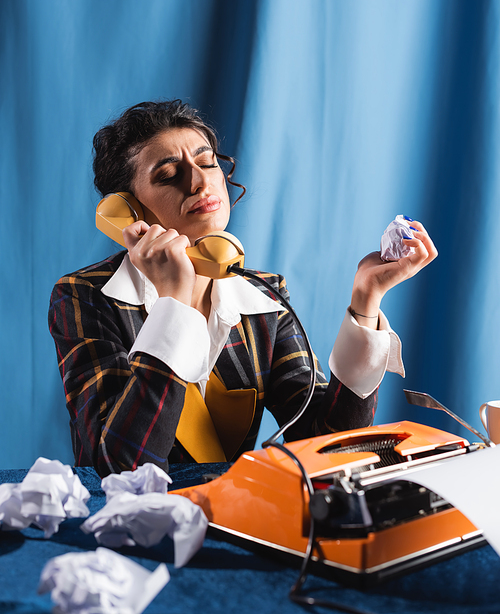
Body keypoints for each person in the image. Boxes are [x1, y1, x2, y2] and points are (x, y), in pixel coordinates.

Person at [49, 100, 437, 477]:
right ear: (124, 211)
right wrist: (173, 305)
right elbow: (119, 468)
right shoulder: (84, 296)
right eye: (168, 174)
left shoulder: (264, 296)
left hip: (236, 518)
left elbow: (330, 443)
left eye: (207, 162)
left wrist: (366, 301)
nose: (200, 182)